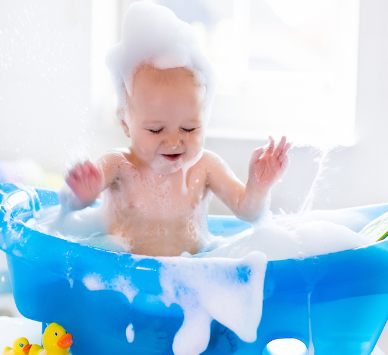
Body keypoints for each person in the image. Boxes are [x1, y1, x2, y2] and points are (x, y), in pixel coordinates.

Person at [61, 2, 292, 257]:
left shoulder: (206, 166)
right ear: (126, 123)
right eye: (156, 130)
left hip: (186, 279)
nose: (174, 141)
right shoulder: (117, 165)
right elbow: (69, 208)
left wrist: (258, 187)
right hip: (123, 279)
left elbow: (247, 211)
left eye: (189, 128)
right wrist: (80, 195)